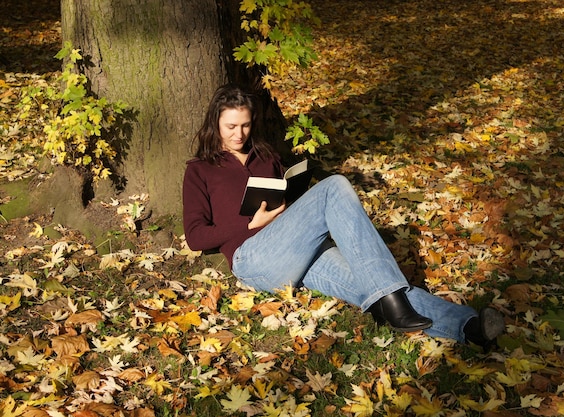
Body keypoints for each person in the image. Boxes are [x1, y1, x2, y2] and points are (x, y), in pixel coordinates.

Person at [183, 84, 505, 347]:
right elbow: (196, 236)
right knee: (334, 186)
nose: (239, 134)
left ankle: (468, 327)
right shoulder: (200, 170)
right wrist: (249, 223)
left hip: (297, 251)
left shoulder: (265, 157)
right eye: (230, 127)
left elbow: (290, 201)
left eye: (245, 125)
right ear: (216, 124)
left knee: (374, 280)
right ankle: (394, 306)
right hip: (253, 260)